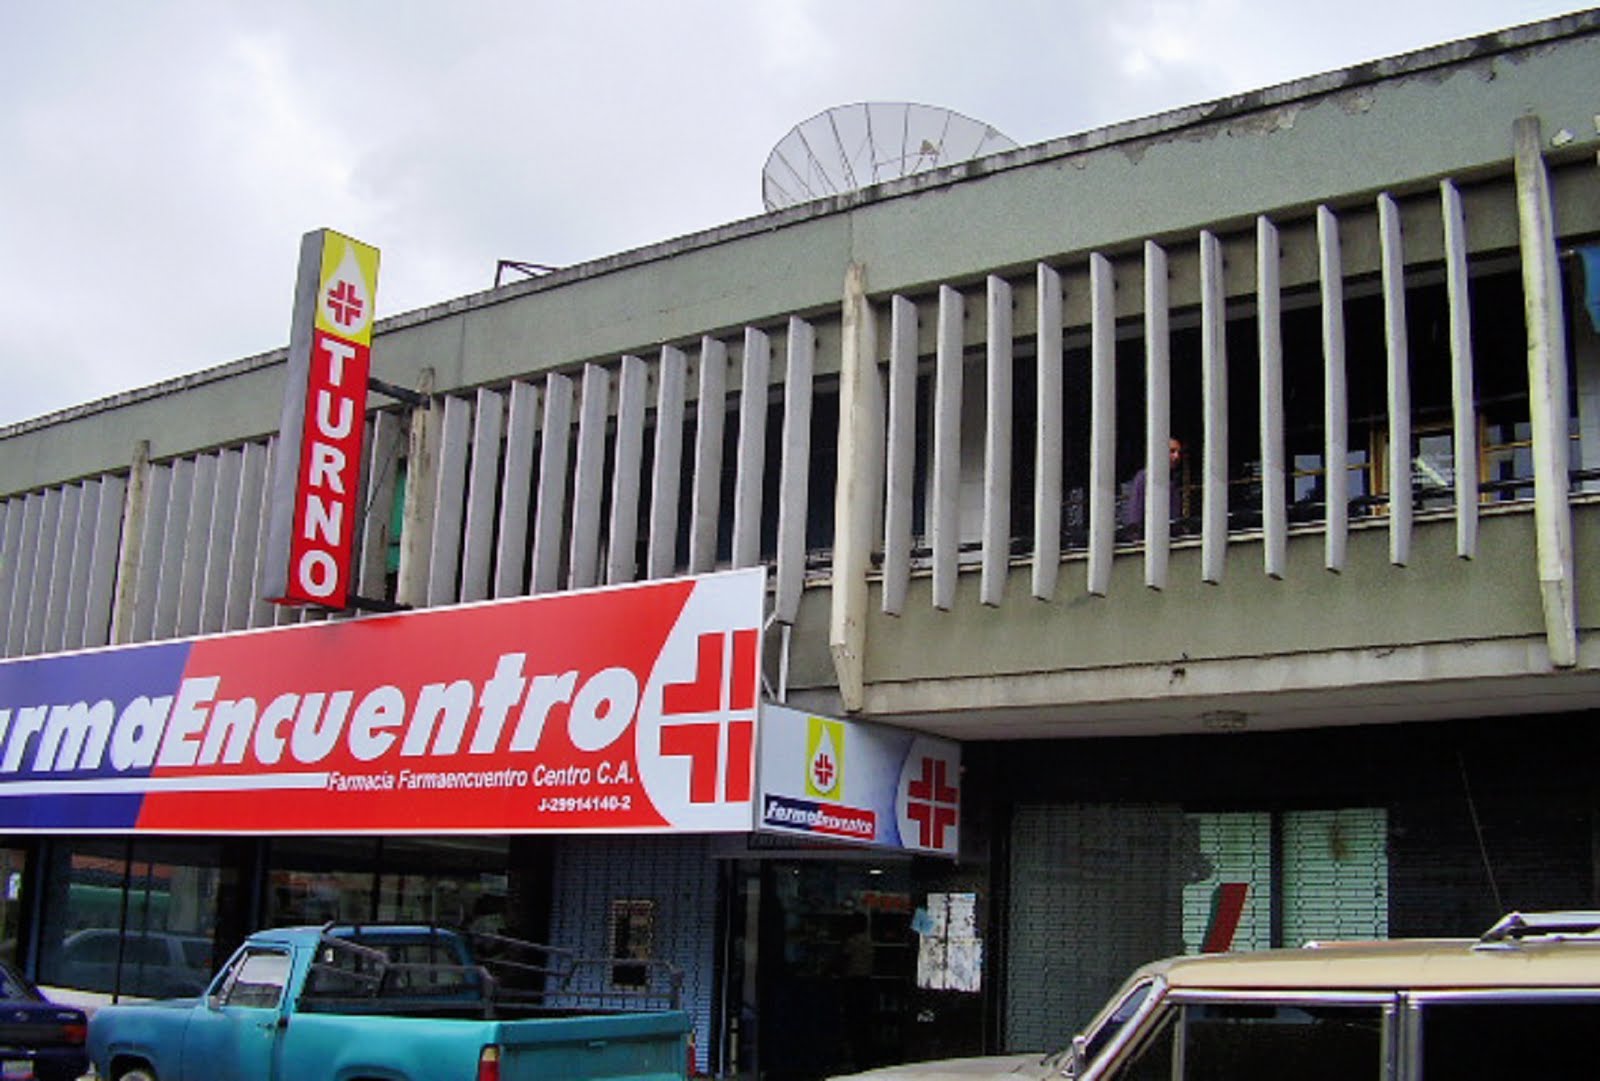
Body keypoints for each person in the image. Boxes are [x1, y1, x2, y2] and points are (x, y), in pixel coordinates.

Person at [1122, 437, 1183, 539]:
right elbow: (1135, 515)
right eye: (1172, 451)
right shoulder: (1145, 478)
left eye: (1178, 452)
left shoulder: (1172, 481)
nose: (1177, 456)